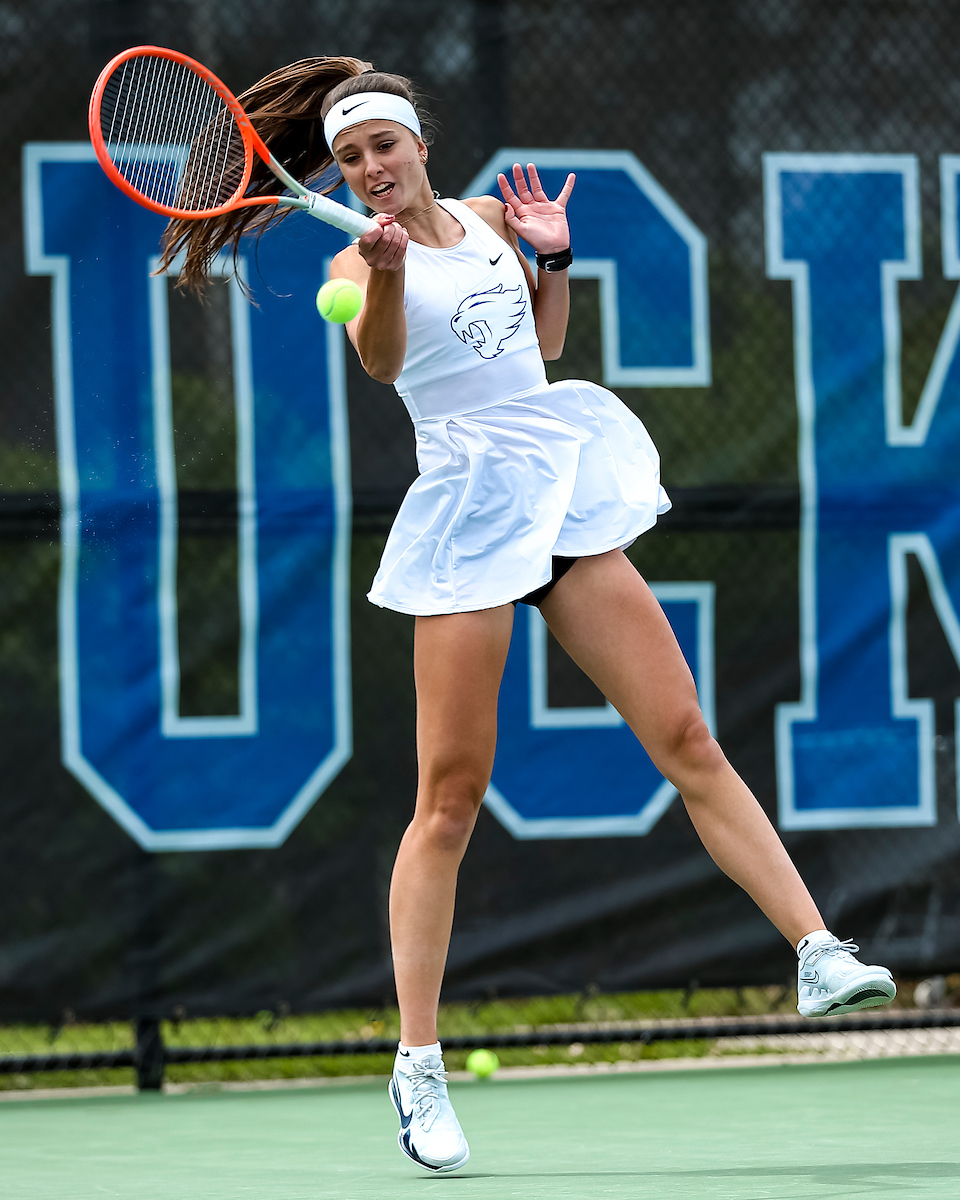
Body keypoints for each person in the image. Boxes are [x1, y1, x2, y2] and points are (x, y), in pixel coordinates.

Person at [163, 56, 897, 1176]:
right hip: (465, 512)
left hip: (558, 489)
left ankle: (814, 947)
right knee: (449, 802)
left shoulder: (487, 214)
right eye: (352, 158)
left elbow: (541, 344)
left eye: (384, 150)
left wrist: (551, 253)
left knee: (687, 736)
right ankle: (417, 1065)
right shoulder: (363, 259)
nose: (369, 171)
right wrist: (391, 272)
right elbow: (386, 360)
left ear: (420, 145)